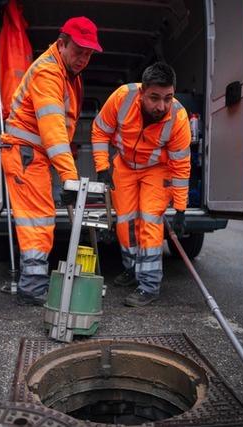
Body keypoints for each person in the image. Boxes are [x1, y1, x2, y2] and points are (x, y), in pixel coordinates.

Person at [1, 16, 102, 306]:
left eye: (89, 53)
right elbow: (53, 128)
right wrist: (70, 178)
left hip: (32, 154)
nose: (84, 58)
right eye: (79, 51)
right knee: (37, 221)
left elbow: (59, 128)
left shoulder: (67, 72)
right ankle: (32, 289)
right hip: (25, 153)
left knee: (41, 217)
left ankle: (33, 284)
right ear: (61, 44)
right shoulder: (49, 72)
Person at [91, 62, 191, 307]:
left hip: (157, 170)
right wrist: (102, 168)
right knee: (125, 222)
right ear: (142, 92)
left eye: (168, 98)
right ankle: (132, 268)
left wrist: (180, 207)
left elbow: (180, 166)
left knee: (149, 221)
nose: (161, 106)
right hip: (124, 167)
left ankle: (149, 285)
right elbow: (100, 131)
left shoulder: (178, 117)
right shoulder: (122, 98)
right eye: (154, 98)